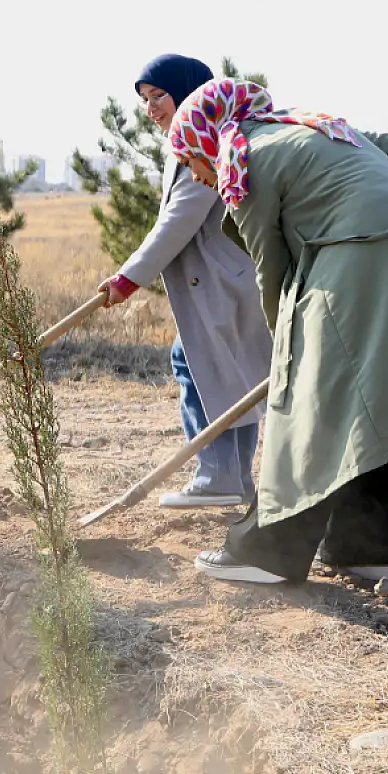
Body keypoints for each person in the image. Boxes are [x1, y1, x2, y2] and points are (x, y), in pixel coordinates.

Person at [165, 79, 388, 585]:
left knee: (311, 406)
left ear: (207, 140)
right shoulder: (309, 127)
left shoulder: (245, 162)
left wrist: (287, 357)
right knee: (370, 403)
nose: (195, 172)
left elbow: (271, 270)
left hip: (360, 259)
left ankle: (268, 553)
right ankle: (366, 547)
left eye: (191, 159)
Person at [97, 55, 271, 508]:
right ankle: (231, 477)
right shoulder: (196, 139)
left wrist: (127, 278)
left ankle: (219, 476)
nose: (151, 108)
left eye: (159, 96)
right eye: (145, 100)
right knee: (228, 375)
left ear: (189, 92)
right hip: (220, 281)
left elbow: (176, 223)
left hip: (223, 282)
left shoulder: (208, 141)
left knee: (204, 367)